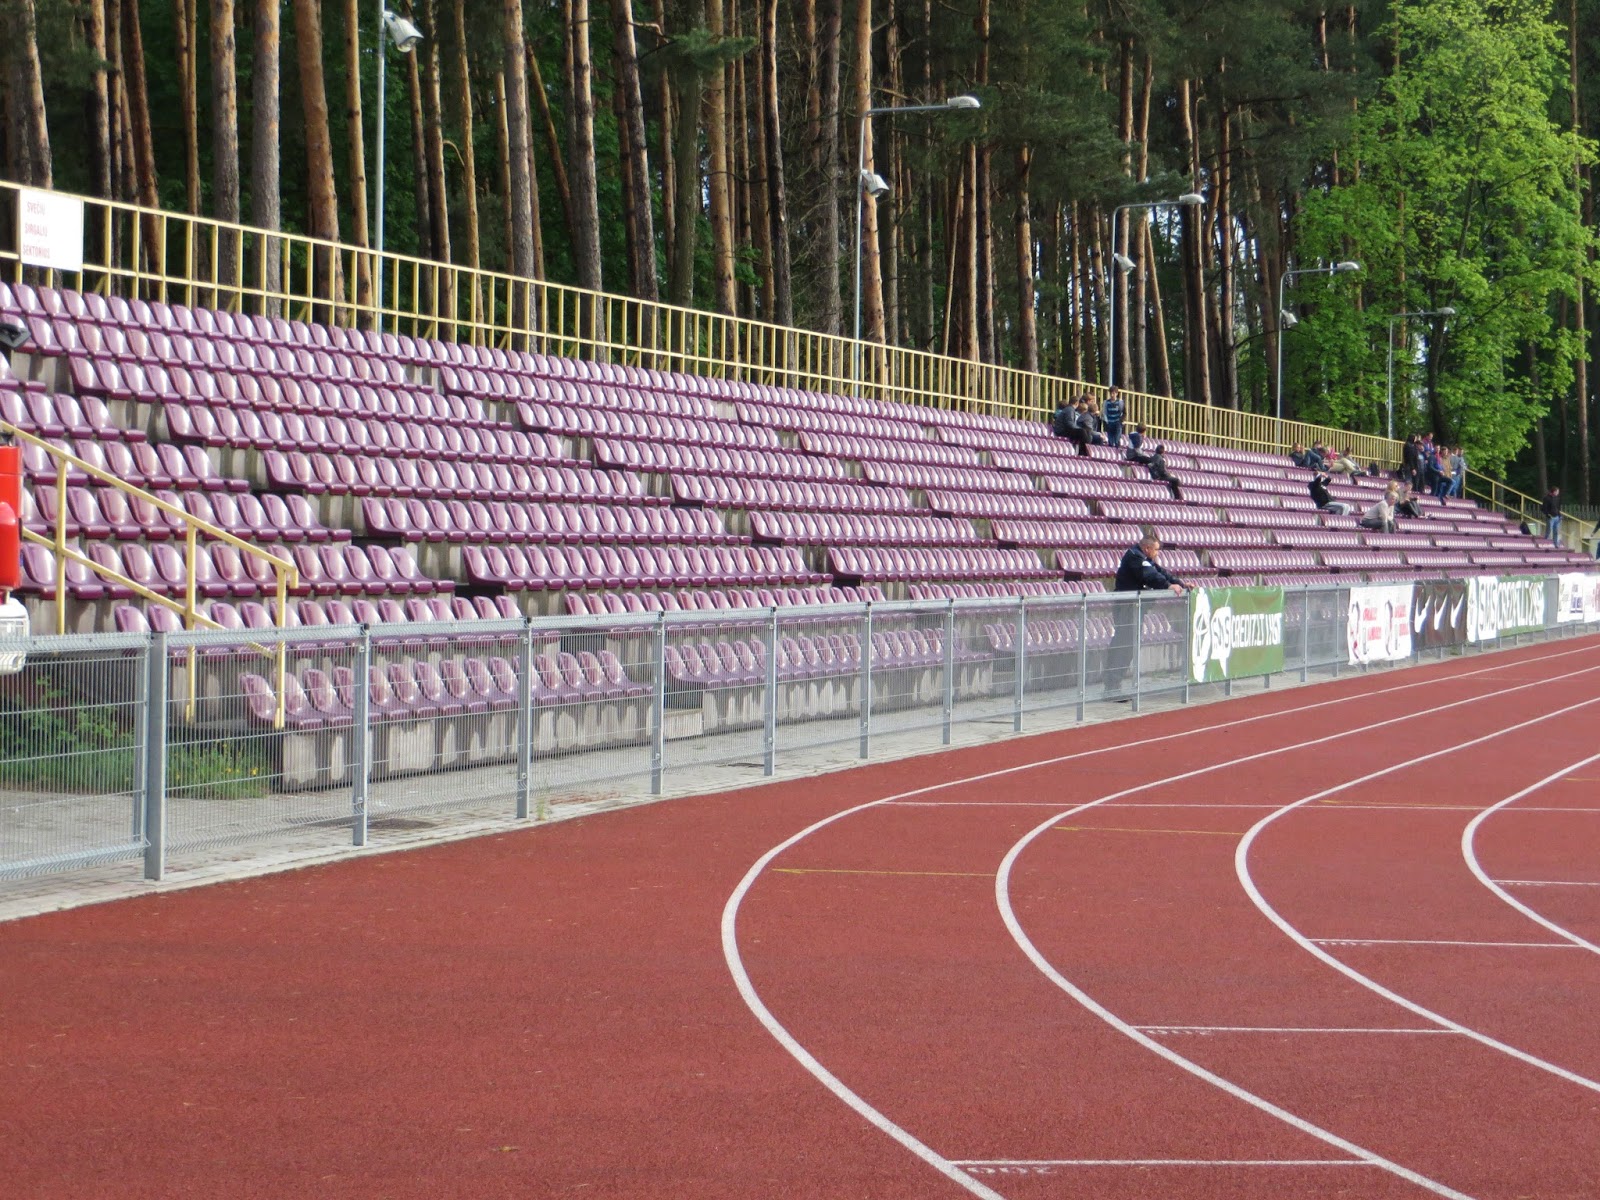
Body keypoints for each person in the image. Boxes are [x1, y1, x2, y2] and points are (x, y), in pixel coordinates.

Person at [1107, 536, 1187, 696]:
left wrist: (1180, 584)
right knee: (1123, 645)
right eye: (1156, 549)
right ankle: (1111, 686)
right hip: (1126, 608)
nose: (1157, 553)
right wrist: (1167, 585)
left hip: (1134, 608)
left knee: (1129, 646)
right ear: (1147, 548)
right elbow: (1150, 575)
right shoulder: (1135, 557)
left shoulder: (1144, 557)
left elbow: (1160, 572)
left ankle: (1114, 685)